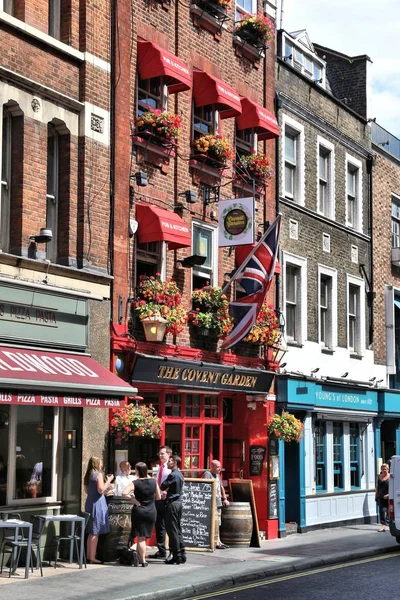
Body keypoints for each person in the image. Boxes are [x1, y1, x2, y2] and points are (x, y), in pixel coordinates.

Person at [122, 461, 161, 567]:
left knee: (141, 537)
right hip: (151, 512)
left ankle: (142, 560)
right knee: (144, 537)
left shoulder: (135, 483)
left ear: (138, 471)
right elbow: (158, 497)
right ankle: (140, 557)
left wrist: (134, 500)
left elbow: (124, 493)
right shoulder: (153, 482)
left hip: (139, 511)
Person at [84, 456, 114, 563]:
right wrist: (109, 481)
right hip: (98, 504)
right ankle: (92, 557)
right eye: (100, 462)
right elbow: (101, 489)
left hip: (90, 502)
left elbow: (87, 491)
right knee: (95, 532)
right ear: (96, 463)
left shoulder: (88, 475)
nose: (101, 464)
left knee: (91, 531)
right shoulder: (98, 475)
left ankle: (89, 555)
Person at [160, 454, 185, 565]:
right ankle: (182, 553)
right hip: (178, 503)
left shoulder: (172, 475)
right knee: (178, 529)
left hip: (172, 504)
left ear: (175, 462)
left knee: (172, 530)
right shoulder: (180, 474)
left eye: (170, 461)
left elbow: (162, 486)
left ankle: (176, 556)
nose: (167, 463)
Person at [149, 445, 172, 559]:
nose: (160, 455)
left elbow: (173, 482)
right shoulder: (160, 467)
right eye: (159, 453)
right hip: (158, 499)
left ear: (168, 454)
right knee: (159, 525)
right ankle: (161, 550)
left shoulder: (170, 468)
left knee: (167, 525)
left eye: (163, 453)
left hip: (166, 500)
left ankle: (171, 550)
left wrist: (167, 492)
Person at [203, 459, 230, 549]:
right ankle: (215, 541)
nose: (220, 468)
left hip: (218, 501)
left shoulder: (218, 475)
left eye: (220, 466)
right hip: (211, 501)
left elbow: (221, 487)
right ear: (212, 466)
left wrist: (225, 498)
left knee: (218, 521)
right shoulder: (208, 474)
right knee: (214, 520)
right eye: (218, 467)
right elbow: (205, 487)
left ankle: (219, 541)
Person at [376, 463, 390, 532]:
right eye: (383, 469)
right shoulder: (379, 476)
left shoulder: (391, 477)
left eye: (385, 469)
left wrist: (389, 494)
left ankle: (389, 523)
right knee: (382, 511)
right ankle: (383, 525)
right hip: (381, 496)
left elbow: (394, 487)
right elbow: (377, 487)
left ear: (388, 469)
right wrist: (376, 495)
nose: (384, 470)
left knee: (389, 511)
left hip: (389, 496)